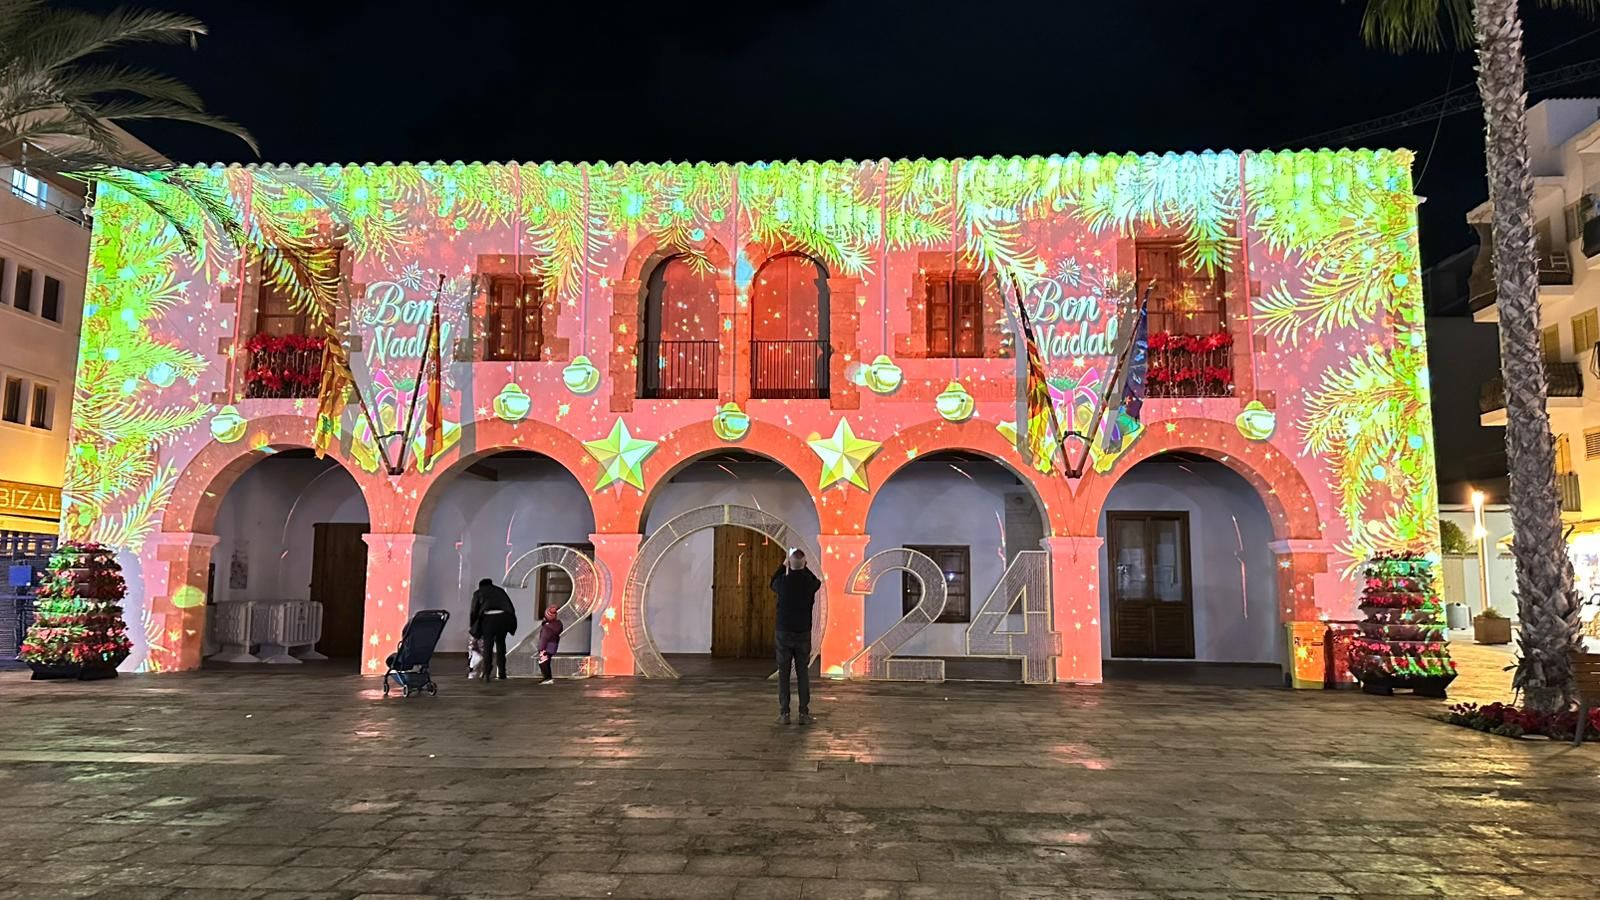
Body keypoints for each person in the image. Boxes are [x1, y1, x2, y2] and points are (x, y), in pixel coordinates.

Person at [769, 548, 821, 725]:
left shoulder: (783, 582)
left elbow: (772, 582)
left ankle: (784, 713)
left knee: (783, 673)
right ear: (805, 564)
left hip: (783, 632)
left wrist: (785, 565)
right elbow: (817, 581)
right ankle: (803, 713)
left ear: (790, 564)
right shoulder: (808, 583)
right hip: (803, 633)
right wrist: (802, 566)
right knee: (802, 673)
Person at [469, 577, 517, 682]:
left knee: (488, 646)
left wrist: (473, 625)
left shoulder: (479, 592)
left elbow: (474, 610)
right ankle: (502, 673)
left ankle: (487, 673)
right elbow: (511, 607)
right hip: (504, 618)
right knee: (501, 644)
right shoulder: (500, 591)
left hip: (488, 620)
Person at [536, 605, 564, 685]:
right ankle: (548, 678)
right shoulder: (557, 624)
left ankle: (547, 678)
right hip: (553, 646)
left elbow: (544, 639)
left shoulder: (547, 627)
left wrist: (541, 649)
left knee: (543, 663)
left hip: (545, 647)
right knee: (547, 662)